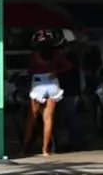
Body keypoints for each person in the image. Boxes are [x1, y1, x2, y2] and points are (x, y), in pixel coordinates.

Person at [22, 29, 69, 157]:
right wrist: (56, 71)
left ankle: (24, 149)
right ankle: (45, 150)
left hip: (38, 83)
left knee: (31, 118)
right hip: (53, 82)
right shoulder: (56, 54)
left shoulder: (34, 55)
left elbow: (29, 70)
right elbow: (67, 66)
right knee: (48, 119)